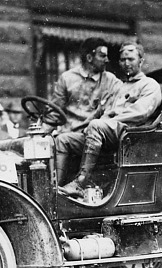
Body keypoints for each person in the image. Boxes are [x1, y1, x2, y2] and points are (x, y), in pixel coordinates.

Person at [59, 42, 162, 198]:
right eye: (122, 60)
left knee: (96, 126)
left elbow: (140, 113)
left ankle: (80, 182)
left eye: (131, 59)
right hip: (106, 133)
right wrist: (82, 127)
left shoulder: (149, 85)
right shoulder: (119, 86)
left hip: (130, 134)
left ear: (141, 61)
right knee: (63, 139)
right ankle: (57, 188)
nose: (126, 64)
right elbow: (102, 111)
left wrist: (105, 122)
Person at [51, 37, 122, 185]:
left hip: (92, 137)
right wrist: (43, 131)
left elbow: (115, 108)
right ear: (89, 57)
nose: (107, 60)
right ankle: (54, 186)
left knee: (61, 141)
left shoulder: (111, 81)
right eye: (102, 56)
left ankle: (57, 189)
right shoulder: (67, 78)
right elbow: (54, 112)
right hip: (69, 134)